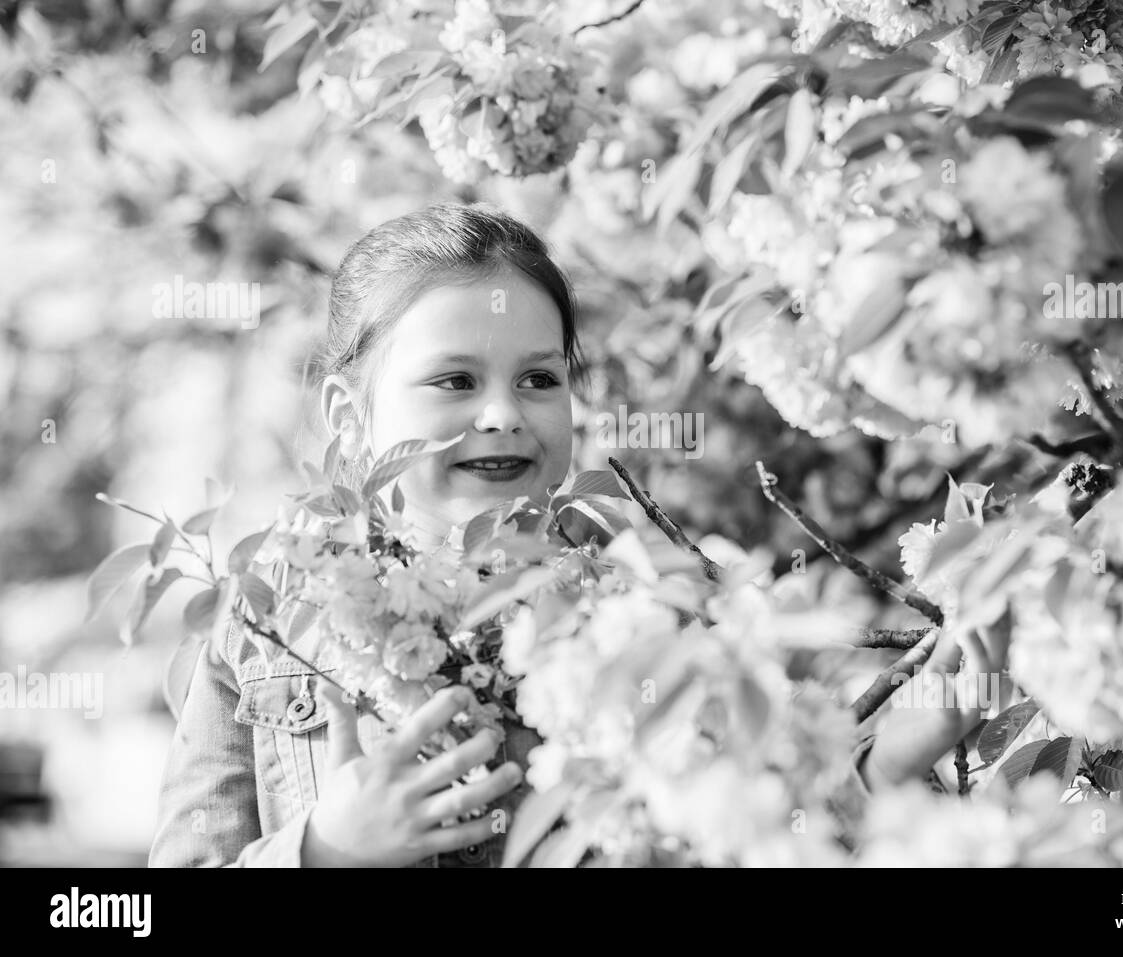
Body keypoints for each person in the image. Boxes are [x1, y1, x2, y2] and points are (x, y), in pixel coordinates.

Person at [148, 201, 989, 867]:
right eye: (455, 379)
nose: (504, 414)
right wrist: (324, 851)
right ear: (348, 414)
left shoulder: (641, 612)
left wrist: (878, 768)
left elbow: (739, 837)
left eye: (539, 379)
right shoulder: (265, 627)